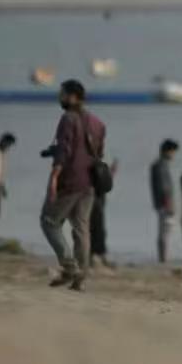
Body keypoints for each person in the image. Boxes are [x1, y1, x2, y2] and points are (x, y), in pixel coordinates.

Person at [40, 79, 105, 291]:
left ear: (72, 97)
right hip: (90, 183)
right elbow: (98, 153)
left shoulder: (68, 118)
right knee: (81, 229)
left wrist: (54, 177)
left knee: (49, 221)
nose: (59, 98)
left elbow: (64, 151)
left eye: (62, 94)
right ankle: (80, 279)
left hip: (70, 180)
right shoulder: (97, 123)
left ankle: (69, 267)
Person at [150, 139, 180, 263]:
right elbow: (163, 187)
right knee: (164, 232)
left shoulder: (159, 164)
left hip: (162, 203)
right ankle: (163, 258)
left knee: (164, 231)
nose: (174, 155)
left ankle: (163, 256)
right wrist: (168, 204)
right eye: (173, 152)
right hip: (164, 204)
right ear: (167, 151)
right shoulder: (160, 165)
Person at [89, 156, 119, 269]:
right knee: (97, 229)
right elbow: (102, 184)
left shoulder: (91, 163)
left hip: (93, 200)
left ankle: (95, 256)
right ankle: (97, 256)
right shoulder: (95, 164)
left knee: (94, 229)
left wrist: (111, 173)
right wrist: (110, 174)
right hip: (95, 201)